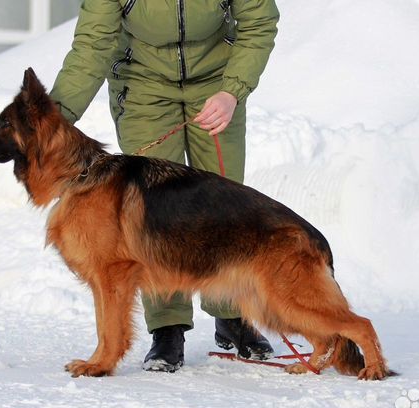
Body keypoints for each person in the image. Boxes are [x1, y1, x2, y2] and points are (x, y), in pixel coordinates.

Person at [50, 0, 280, 372]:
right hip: (143, 89)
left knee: (224, 204)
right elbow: (93, 43)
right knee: (156, 213)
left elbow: (259, 20)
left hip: (215, 84)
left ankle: (232, 314)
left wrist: (232, 91)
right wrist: (52, 120)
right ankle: (168, 327)